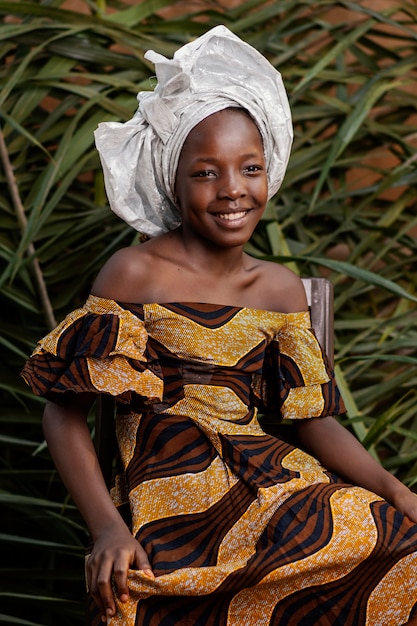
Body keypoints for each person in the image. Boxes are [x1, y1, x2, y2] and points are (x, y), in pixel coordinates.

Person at [21, 25, 417, 626]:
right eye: (206, 173)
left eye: (249, 167)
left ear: (270, 173)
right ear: (172, 183)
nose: (232, 190)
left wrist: (393, 488)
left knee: (399, 544)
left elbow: (314, 418)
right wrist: (105, 526)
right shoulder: (135, 274)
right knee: (138, 593)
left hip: (273, 485)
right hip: (170, 503)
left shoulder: (279, 289)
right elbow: (64, 410)